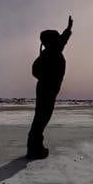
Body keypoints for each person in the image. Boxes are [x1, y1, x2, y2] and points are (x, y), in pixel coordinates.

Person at [26, 15, 73, 159]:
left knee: (41, 118)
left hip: (47, 89)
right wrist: (47, 79)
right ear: (51, 41)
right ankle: (34, 149)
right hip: (47, 90)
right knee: (41, 118)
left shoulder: (51, 50)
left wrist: (68, 29)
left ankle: (35, 147)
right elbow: (35, 71)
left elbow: (63, 40)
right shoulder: (51, 52)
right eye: (56, 37)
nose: (59, 39)